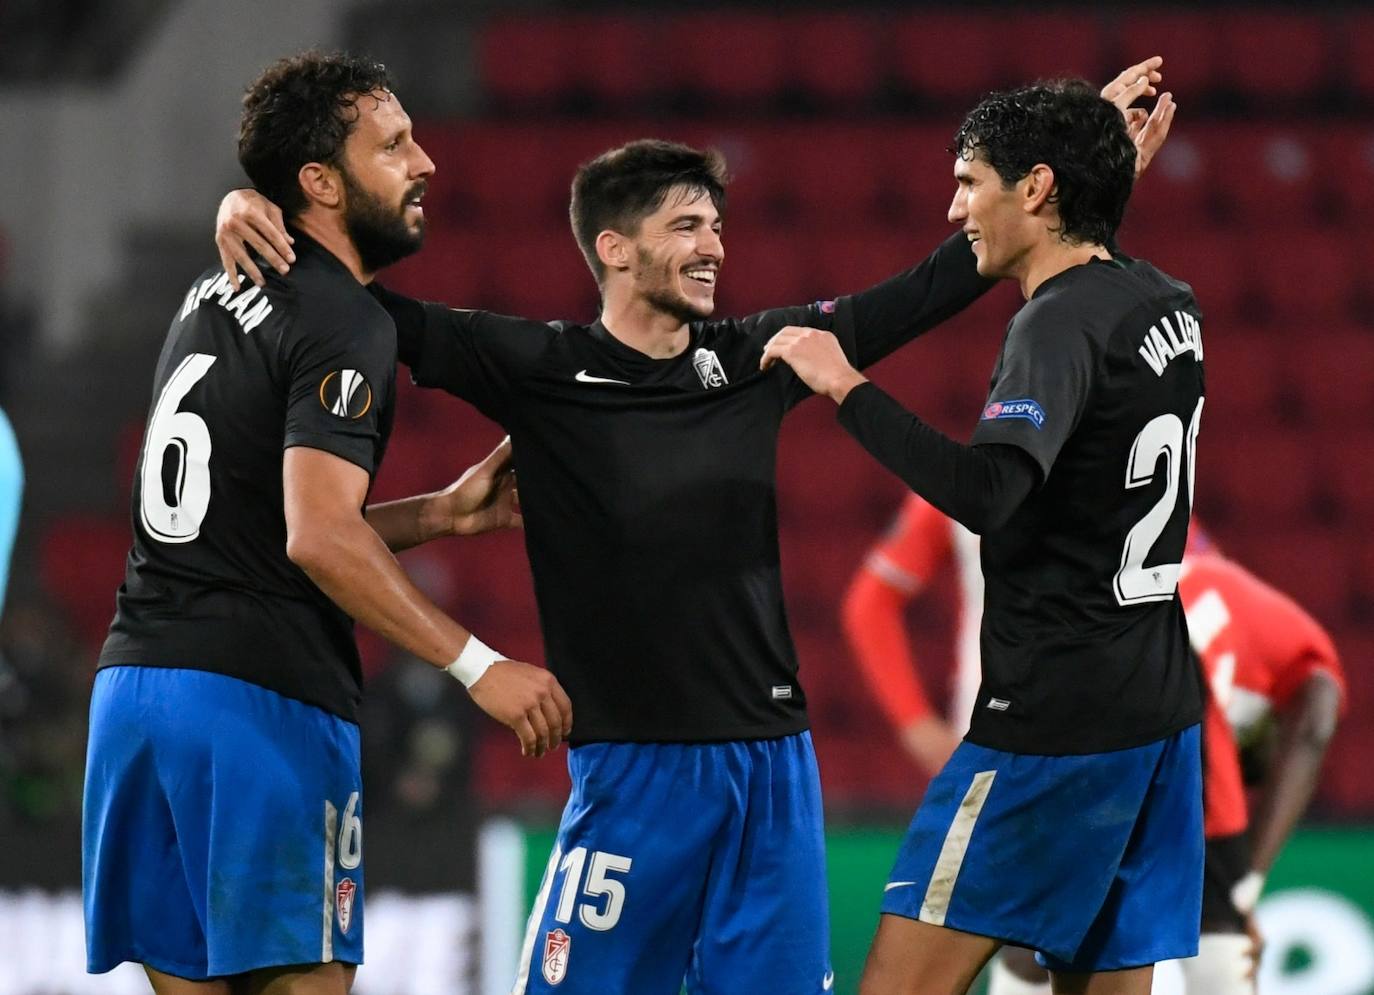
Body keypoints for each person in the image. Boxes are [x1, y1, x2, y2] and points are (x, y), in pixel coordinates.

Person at [215, 60, 1173, 995]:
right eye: (685, 226)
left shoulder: (758, 357)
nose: (714, 245)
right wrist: (246, 211)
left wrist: (1084, 158)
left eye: (716, 225)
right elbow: (345, 300)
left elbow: (942, 277)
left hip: (771, 772)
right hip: (633, 772)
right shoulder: (534, 366)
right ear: (615, 249)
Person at [83, 52, 571, 995]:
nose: (425, 162)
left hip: (135, 693)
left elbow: (261, 526)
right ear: (320, 182)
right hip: (256, 703)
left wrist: (434, 514)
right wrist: (481, 666)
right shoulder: (348, 320)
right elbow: (316, 538)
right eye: (393, 146)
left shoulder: (210, 288)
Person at [763, 78, 1198, 995]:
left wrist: (845, 383)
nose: (956, 207)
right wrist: (1100, 166)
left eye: (970, 181)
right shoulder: (1167, 302)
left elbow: (990, 490)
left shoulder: (1052, 324)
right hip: (1157, 711)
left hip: (1049, 724)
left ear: (1035, 189)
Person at [845, 507, 1346, 994]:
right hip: (1080, 734)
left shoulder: (998, 468)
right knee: (1052, 933)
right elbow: (871, 603)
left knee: (1016, 932)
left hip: (1030, 731)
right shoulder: (1140, 483)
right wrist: (1237, 893)